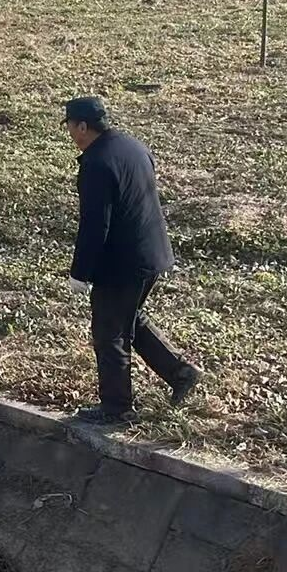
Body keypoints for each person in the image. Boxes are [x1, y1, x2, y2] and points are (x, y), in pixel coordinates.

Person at [64, 96, 200, 424]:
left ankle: (117, 408)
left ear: (82, 126)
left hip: (122, 263)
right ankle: (181, 372)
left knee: (109, 333)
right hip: (152, 253)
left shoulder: (96, 164)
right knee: (128, 319)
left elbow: (95, 224)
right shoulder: (133, 147)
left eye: (69, 126)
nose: (68, 132)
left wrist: (80, 272)